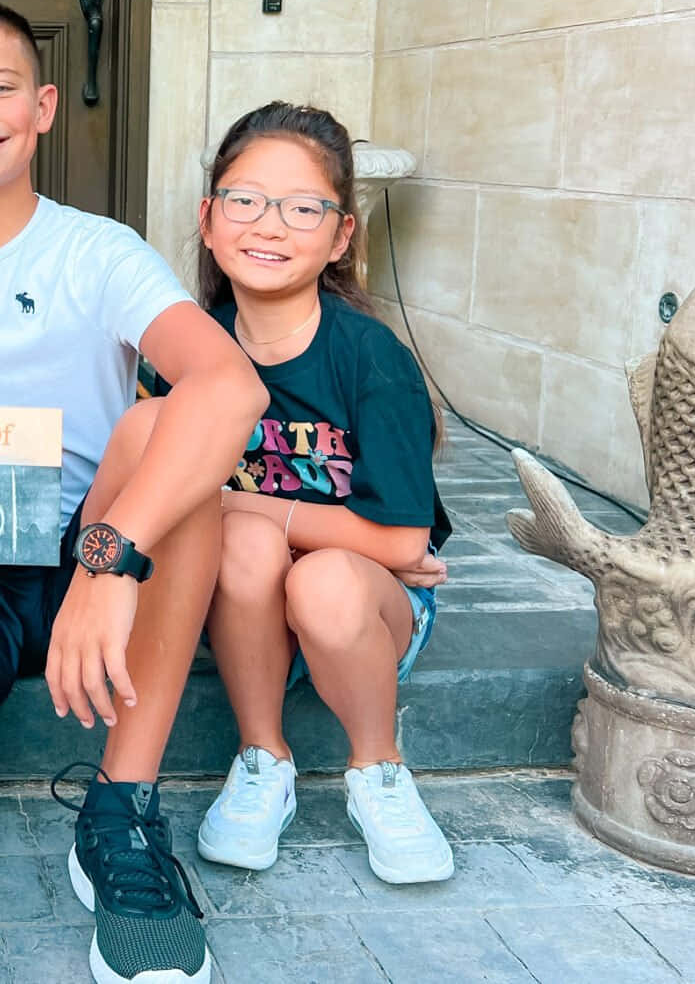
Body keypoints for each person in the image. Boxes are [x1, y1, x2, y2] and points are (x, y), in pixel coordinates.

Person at [0, 0, 268, 984]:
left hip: (98, 533)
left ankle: (121, 810)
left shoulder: (98, 249)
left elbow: (231, 384)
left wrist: (109, 562)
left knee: (168, 424)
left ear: (41, 107)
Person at [186, 101, 455, 886]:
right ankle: (263, 759)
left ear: (341, 235)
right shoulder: (188, 348)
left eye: (303, 208)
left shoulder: (370, 359)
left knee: (324, 577)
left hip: (362, 609)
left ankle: (379, 771)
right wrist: (270, 524)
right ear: (209, 219)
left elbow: (403, 546)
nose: (269, 226)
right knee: (248, 544)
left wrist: (241, 503)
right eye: (245, 200)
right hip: (240, 605)